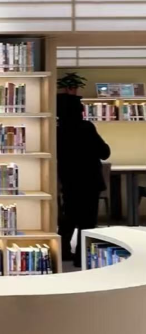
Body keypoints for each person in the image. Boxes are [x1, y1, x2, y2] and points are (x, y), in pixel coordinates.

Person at [57, 94, 111, 267]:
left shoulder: (56, 130)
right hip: (89, 181)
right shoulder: (86, 127)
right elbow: (104, 152)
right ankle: (81, 256)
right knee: (87, 221)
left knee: (69, 218)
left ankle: (63, 251)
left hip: (69, 181)